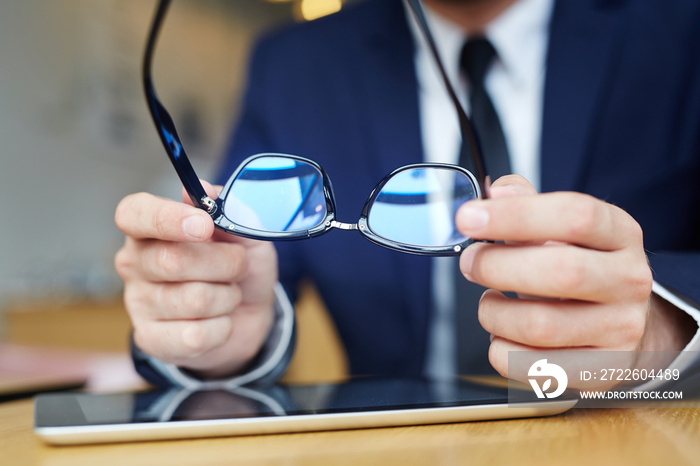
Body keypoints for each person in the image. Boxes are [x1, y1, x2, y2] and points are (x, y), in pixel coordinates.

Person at [115, 0, 700, 389]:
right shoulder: (295, 66)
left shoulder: (680, 33)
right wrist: (220, 334)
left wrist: (667, 332)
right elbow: (250, 271)